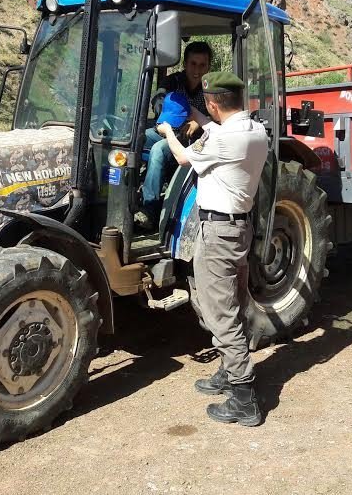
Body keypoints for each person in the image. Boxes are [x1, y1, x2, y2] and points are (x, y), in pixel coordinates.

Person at [157, 71, 268, 426]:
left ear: (214, 102)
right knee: (232, 302)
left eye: (208, 105)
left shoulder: (222, 141)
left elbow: (182, 158)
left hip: (217, 233)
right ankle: (227, 369)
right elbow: (215, 129)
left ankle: (243, 395)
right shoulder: (254, 130)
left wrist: (169, 132)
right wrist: (198, 115)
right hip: (238, 227)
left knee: (219, 312)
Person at [135, 41, 212, 231]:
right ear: (185, 64)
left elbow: (221, 113)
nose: (197, 70)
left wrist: (199, 122)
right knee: (135, 140)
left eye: (202, 65)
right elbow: (158, 97)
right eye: (193, 64)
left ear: (208, 66)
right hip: (165, 131)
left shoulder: (211, 88)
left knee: (158, 150)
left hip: (192, 142)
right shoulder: (173, 82)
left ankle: (149, 210)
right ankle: (128, 196)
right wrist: (162, 113)